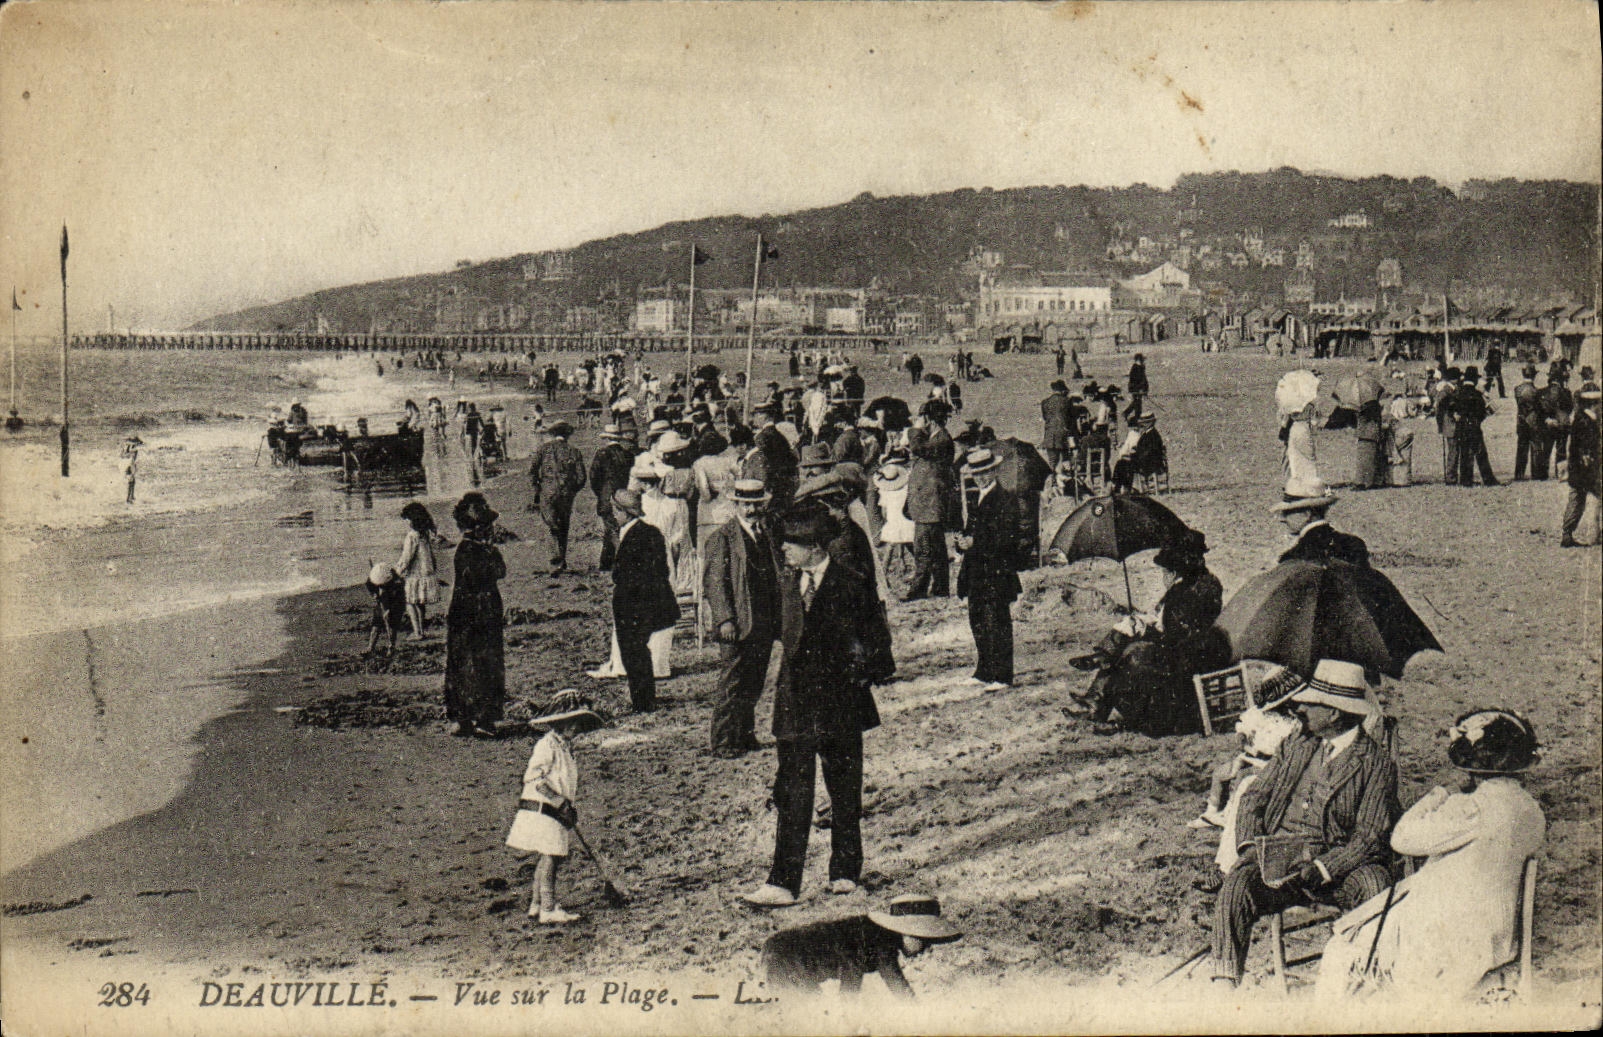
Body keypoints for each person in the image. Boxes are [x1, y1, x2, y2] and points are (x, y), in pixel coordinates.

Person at [1314, 709, 1545, 1001]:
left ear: (1471, 766)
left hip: (1450, 940)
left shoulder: (1470, 808)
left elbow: (1401, 839)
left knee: (1341, 949)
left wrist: (1441, 794)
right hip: (1499, 935)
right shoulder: (1531, 810)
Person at [1209, 659, 1401, 988]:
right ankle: (1223, 984)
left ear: (1334, 713)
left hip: (1339, 870)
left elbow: (1370, 836)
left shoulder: (1375, 764)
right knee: (1238, 882)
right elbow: (1254, 797)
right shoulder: (1296, 744)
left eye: (1310, 703)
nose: (1299, 708)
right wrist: (1252, 846)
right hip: (1279, 864)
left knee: (1375, 884)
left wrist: (1323, 868)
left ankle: (1369, 983)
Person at [742, 505, 894, 908]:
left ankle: (845, 872)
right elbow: (775, 633)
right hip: (794, 708)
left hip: (840, 706)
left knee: (844, 791)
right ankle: (782, 882)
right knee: (792, 794)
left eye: (791, 544)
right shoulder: (785, 585)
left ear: (813, 547)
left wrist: (859, 671)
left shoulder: (852, 583)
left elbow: (879, 644)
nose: (784, 550)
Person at [1064, 528, 1226, 735]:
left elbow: (1178, 635)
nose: (1164, 576)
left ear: (1177, 569)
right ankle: (1097, 693)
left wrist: (1147, 631)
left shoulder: (1200, 590)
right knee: (1128, 643)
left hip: (1191, 656)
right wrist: (1144, 623)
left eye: (1166, 571)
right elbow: (1164, 620)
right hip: (1179, 650)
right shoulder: (1187, 586)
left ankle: (1103, 699)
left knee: (1132, 653)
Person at [1187, 667, 1306, 878]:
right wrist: (1244, 745)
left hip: (1270, 764)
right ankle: (1213, 811)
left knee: (1245, 782)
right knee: (1226, 773)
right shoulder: (1260, 716)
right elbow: (1242, 730)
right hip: (1253, 757)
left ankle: (1229, 818)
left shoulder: (1293, 723)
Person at [506, 690, 604, 926]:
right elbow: (534, 778)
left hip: (554, 810)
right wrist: (559, 802)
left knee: (547, 855)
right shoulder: (547, 745)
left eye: (578, 723)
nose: (576, 728)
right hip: (543, 808)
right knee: (552, 855)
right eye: (571, 722)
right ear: (558, 723)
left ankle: (536, 903)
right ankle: (548, 908)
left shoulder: (564, 747)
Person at [702, 480, 781, 758]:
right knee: (733, 681)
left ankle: (745, 734)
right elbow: (715, 583)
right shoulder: (723, 537)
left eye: (756, 505)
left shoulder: (766, 534)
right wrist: (724, 619)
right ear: (735, 505)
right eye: (746, 505)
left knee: (754, 680)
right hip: (736, 623)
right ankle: (723, 741)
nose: (752, 510)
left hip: (763, 621)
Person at [760, 893, 962, 999]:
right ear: (908, 932)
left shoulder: (873, 932)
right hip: (788, 957)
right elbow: (894, 982)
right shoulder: (881, 942)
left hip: (778, 950)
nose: (924, 949)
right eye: (923, 941)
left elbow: (853, 972)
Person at [955, 448, 1020, 691]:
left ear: (994, 471)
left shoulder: (1005, 498)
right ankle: (984, 671)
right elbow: (970, 530)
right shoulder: (976, 499)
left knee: (997, 622)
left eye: (985, 472)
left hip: (996, 571)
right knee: (978, 621)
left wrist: (975, 542)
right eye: (976, 474)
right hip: (976, 571)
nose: (980, 478)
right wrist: (962, 542)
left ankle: (1002, 676)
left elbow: (1008, 538)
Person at [610, 488, 679, 714]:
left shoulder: (631, 537)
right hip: (652, 601)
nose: (614, 516)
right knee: (640, 650)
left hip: (632, 604)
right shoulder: (652, 532)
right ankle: (645, 698)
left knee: (633, 653)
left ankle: (642, 702)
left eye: (616, 511)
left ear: (625, 512)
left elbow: (623, 575)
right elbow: (663, 569)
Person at [443, 492, 506, 738]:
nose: (490, 530)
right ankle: (479, 718)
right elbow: (493, 573)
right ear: (478, 528)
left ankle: (466, 718)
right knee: (482, 662)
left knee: (465, 662)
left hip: (466, 611)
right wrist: (491, 554)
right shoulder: (473, 551)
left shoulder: (468, 549)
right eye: (487, 526)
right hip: (478, 611)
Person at [903, 401, 957, 601]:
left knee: (924, 549)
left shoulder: (941, 440)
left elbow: (918, 448)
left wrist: (915, 430)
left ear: (929, 419)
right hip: (929, 505)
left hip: (930, 505)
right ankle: (940, 588)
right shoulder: (938, 438)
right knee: (936, 548)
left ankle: (919, 589)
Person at [529, 422, 587, 572]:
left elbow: (532, 471)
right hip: (566, 493)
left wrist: (537, 489)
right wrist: (572, 490)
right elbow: (581, 477)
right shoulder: (574, 451)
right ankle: (561, 559)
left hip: (547, 492)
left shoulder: (543, 449)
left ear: (553, 434)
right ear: (568, 435)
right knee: (564, 525)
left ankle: (555, 560)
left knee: (551, 524)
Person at [1276, 480, 1370, 567]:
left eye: (1287, 513)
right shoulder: (1354, 544)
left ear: (1306, 514)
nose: (1282, 519)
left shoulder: (1293, 557)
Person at [589, 424, 636, 571]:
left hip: (607, 496)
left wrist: (601, 493)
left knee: (611, 529)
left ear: (606, 438)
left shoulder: (602, 454)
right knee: (617, 528)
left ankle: (618, 561)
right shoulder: (628, 455)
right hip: (625, 496)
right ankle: (606, 562)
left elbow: (594, 477)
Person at [1559, 385, 1600, 547]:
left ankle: (1568, 533)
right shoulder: (1585, 421)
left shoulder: (1582, 418)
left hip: (1580, 468)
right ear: (1593, 403)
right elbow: (1585, 446)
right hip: (1584, 468)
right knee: (1578, 500)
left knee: (1577, 500)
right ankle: (1569, 534)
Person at [396, 501, 442, 640]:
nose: (406, 522)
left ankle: (417, 632)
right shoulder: (424, 534)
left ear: (413, 519)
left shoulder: (412, 536)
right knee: (420, 603)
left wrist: (397, 571)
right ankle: (421, 630)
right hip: (425, 572)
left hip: (414, 574)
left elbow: (407, 557)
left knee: (410, 602)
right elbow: (430, 555)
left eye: (407, 519)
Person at [1450, 367, 1498, 486]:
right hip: (1474, 426)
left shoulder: (1457, 393)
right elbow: (1482, 412)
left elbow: (1451, 407)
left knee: (1465, 454)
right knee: (1481, 454)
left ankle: (1465, 480)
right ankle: (1488, 479)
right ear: (1475, 379)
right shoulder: (1477, 394)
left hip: (1462, 427)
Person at [873, 459, 915, 577]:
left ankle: (883, 572)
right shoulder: (906, 488)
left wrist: (887, 520)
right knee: (910, 544)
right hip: (907, 522)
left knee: (890, 548)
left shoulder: (884, 492)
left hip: (893, 523)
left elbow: (884, 512)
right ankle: (916, 566)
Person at [364, 562, 407, 658]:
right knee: (376, 624)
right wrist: (375, 594)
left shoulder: (398, 582)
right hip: (381, 602)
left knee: (391, 625)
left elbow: (400, 600)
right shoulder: (372, 579)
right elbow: (369, 586)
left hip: (396, 603)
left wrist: (389, 610)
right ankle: (370, 647)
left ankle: (391, 646)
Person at [1538, 366, 1574, 478]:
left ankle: (1543, 474)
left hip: (1548, 424)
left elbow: (1539, 409)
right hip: (1562, 425)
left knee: (1546, 449)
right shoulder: (1566, 392)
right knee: (1561, 449)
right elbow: (1570, 408)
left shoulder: (1542, 391)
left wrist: (1547, 419)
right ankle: (1561, 474)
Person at [1513, 365, 1543, 480]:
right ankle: (1536, 474)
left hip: (1521, 421)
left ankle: (1519, 474)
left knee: (1521, 448)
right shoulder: (1536, 391)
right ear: (1534, 376)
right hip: (1534, 421)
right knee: (1535, 447)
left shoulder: (1517, 389)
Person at [1352, 393, 1387, 490]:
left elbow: (1362, 420)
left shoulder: (1364, 407)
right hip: (1373, 435)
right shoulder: (1375, 405)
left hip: (1365, 436)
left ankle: (1362, 483)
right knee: (1371, 460)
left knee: (1363, 461)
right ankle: (1371, 481)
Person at [1040, 380, 1073, 471]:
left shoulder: (1045, 402)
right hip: (1063, 433)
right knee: (1066, 458)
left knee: (1052, 460)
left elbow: (1045, 417)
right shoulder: (1067, 401)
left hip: (1049, 434)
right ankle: (1068, 475)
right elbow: (1071, 418)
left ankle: (1053, 477)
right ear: (1062, 390)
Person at [121, 436, 140, 503]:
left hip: (129, 464)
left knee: (132, 481)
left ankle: (131, 496)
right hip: (128, 465)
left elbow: (122, 455)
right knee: (130, 481)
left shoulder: (129, 448)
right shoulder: (132, 449)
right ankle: (128, 498)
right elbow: (124, 456)